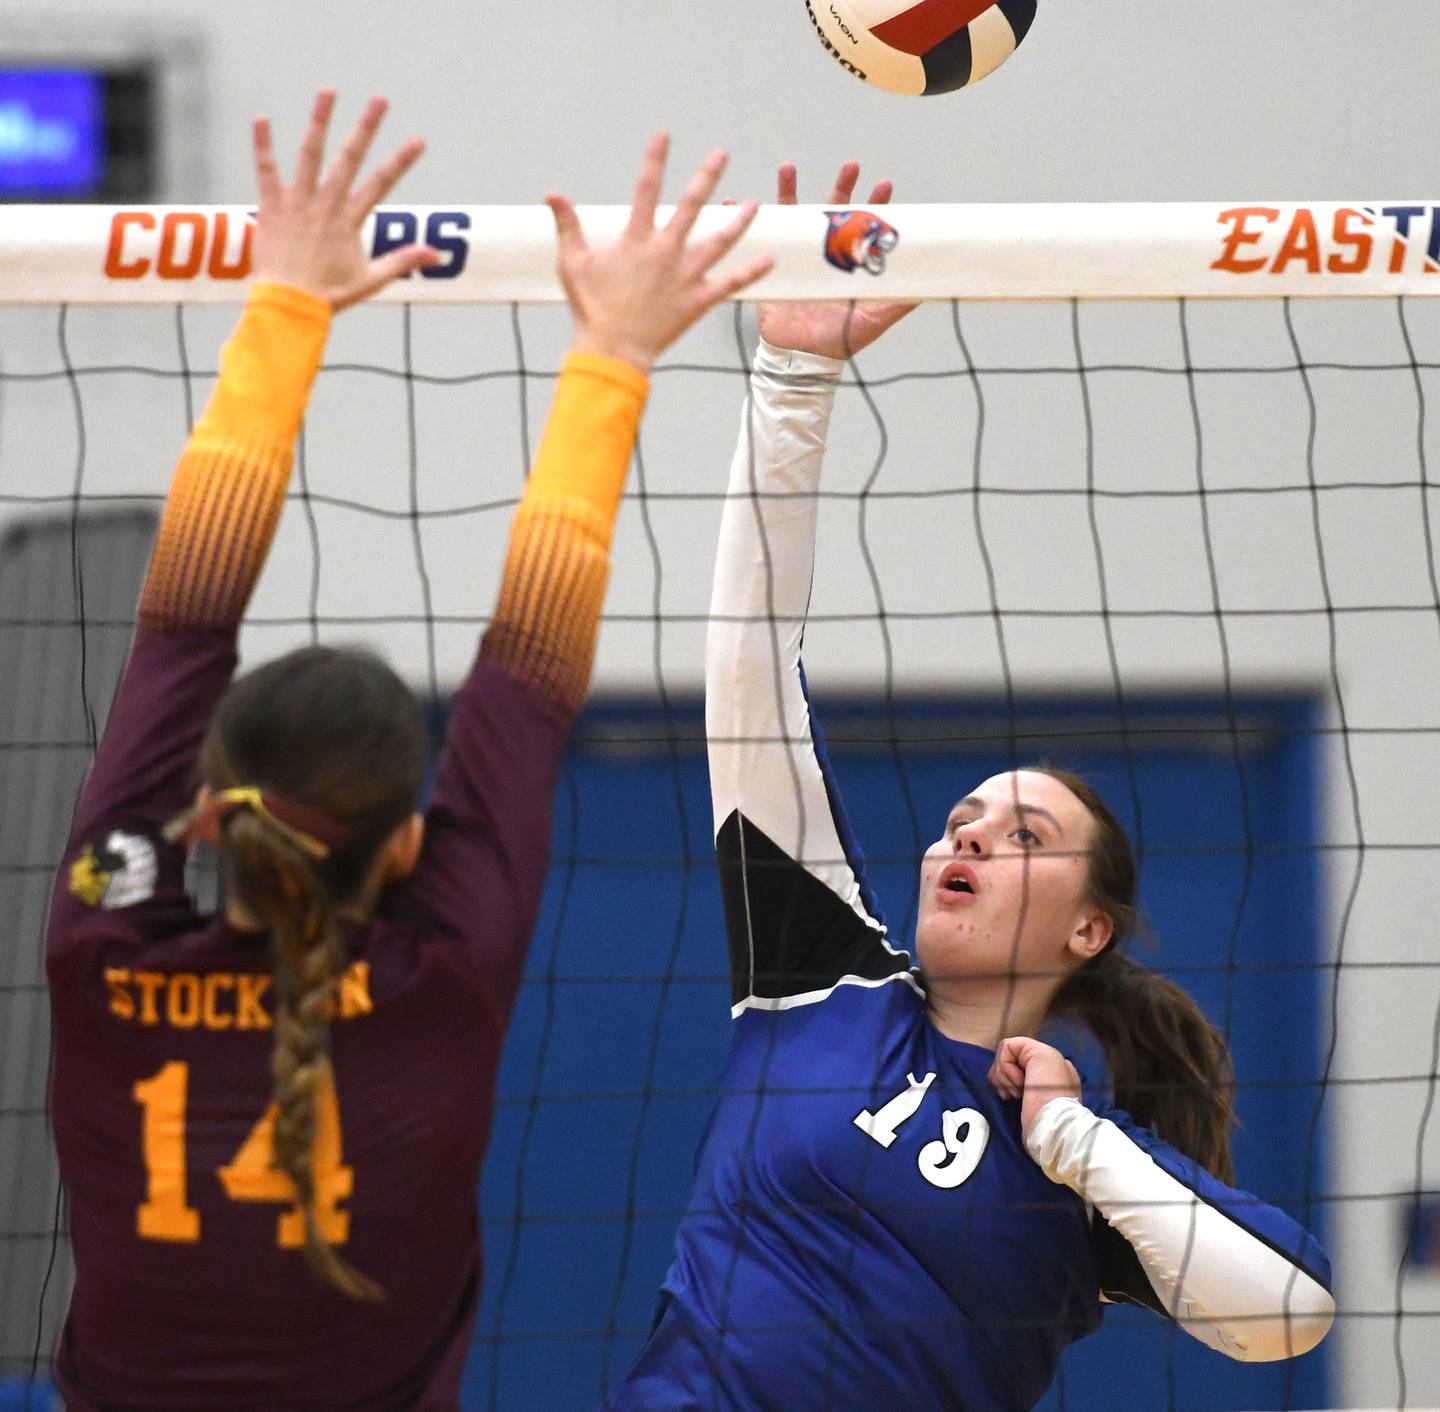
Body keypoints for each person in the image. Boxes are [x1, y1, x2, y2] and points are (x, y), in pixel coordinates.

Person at [45, 90, 772, 1411]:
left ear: (205, 821)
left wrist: (290, 309)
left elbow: (186, 632)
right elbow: (506, 674)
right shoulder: (429, 977)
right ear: (410, 848)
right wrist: (612, 348)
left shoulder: (110, 944)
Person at [603, 162, 1335, 1412]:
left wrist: (1070, 1138)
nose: (974, 835)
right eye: (964, 819)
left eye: (1023, 833)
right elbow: (747, 669)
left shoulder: (1077, 1170)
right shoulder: (815, 974)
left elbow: (1290, 1314)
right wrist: (792, 376)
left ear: (1086, 925)